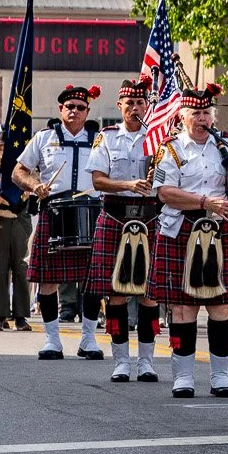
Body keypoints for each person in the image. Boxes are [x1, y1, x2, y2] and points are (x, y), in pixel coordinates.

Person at [152, 84, 228, 399]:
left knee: (222, 307)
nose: (202, 118)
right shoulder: (171, 149)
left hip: (222, 228)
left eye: (207, 113)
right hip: (183, 228)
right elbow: (164, 193)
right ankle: (184, 377)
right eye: (196, 113)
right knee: (182, 309)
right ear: (182, 116)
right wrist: (206, 202)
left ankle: (221, 376)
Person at [14, 85, 105, 361]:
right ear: (60, 110)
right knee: (48, 280)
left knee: (93, 282)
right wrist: (34, 185)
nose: (74, 111)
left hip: (92, 211)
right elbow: (18, 171)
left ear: (88, 111)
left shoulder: (101, 139)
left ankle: (88, 339)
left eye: (80, 107)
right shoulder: (44, 138)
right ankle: (52, 339)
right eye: (69, 107)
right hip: (53, 210)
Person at [87, 77, 163, 381]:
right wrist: (129, 185)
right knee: (116, 295)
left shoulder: (159, 138)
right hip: (116, 216)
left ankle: (146, 361)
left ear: (147, 106)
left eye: (139, 103)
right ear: (120, 106)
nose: (134, 108)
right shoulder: (106, 138)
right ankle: (121, 361)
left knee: (150, 295)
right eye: (129, 103)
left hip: (150, 218)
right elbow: (97, 180)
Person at [0, 130, 32, 332]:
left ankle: (21, 316)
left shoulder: (25, 173)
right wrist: (11, 191)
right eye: (0, 149)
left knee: (21, 269)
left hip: (20, 222)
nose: (3, 152)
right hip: (0, 222)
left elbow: (32, 190)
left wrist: (19, 190)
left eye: (7, 148)